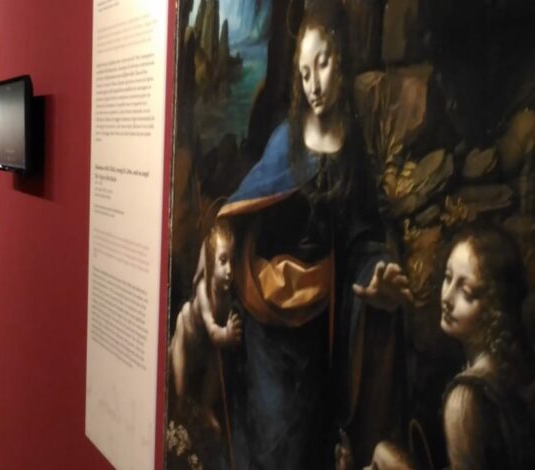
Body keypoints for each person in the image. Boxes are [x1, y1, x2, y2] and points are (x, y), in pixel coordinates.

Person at [216, 2, 411, 467]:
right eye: (304, 73)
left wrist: (376, 271)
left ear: (339, 60)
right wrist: (226, 238)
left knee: (308, 442)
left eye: (321, 65)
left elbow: (361, 237)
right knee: (271, 438)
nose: (314, 84)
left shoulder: (352, 152)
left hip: (319, 325)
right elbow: (245, 210)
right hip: (267, 320)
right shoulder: (284, 139)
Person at [440, 226, 535, 469]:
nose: (447, 298)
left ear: (494, 309)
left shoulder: (465, 398)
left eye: (467, 292)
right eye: (448, 278)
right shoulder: (510, 369)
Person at [169, 221, 242, 433]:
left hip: (207, 345)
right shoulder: (203, 290)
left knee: (215, 363)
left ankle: (206, 406)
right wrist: (227, 334)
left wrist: (230, 333)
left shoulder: (226, 295)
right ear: (210, 262)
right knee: (180, 388)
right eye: (223, 261)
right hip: (188, 335)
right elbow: (212, 331)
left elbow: (218, 336)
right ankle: (180, 406)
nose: (229, 270)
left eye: (232, 261)